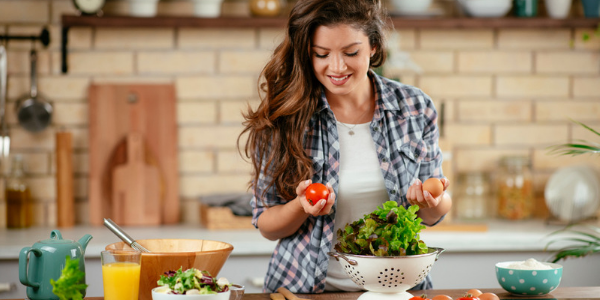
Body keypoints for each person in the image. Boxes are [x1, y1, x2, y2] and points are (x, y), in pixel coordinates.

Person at [238, 0, 452, 294]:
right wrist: (301, 207)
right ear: (307, 54)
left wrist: (430, 200)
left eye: (351, 52)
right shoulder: (285, 117)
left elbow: (436, 212)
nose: (337, 67)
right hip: (304, 290)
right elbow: (266, 223)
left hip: (397, 290)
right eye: (321, 54)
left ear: (373, 46)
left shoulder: (414, 107)